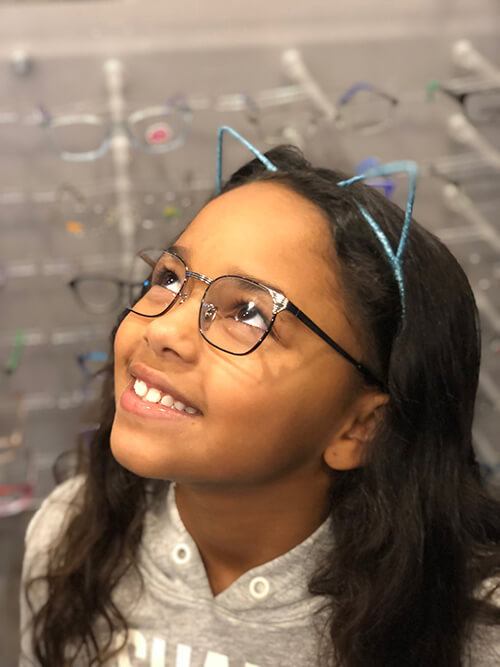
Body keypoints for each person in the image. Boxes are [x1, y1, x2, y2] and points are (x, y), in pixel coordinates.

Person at [20, 128, 500, 667]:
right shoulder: (70, 533)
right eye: (171, 279)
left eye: (248, 313)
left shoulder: (474, 629)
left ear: (358, 427)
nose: (162, 331)